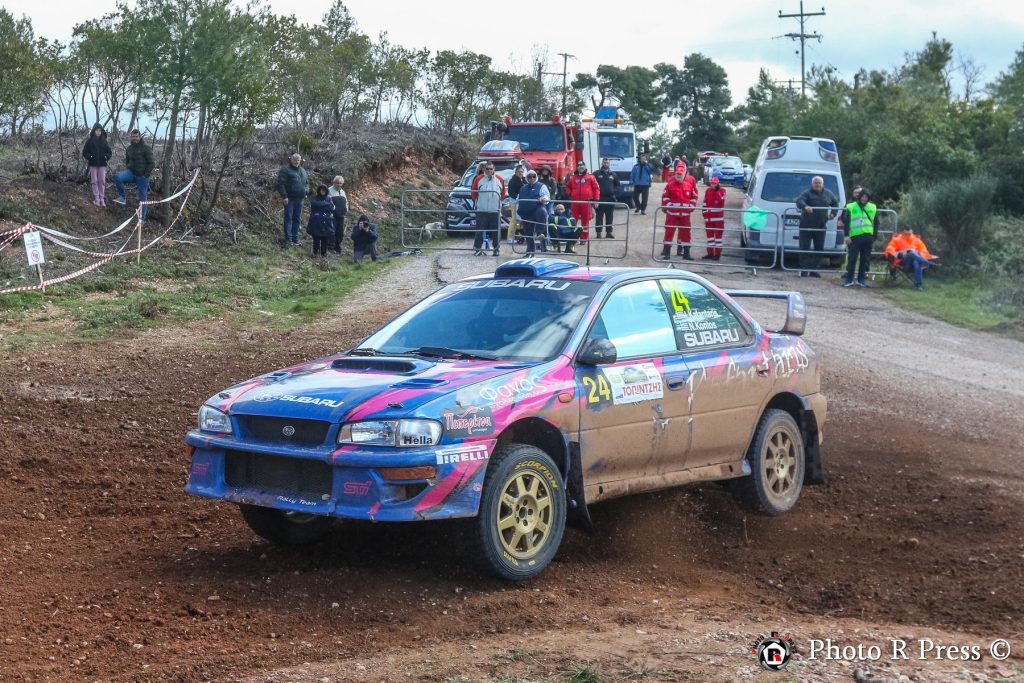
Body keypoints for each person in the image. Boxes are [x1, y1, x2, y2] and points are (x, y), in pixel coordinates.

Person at [795, 175, 839, 277]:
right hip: (806, 226)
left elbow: (835, 204)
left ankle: (813, 269)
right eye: (816, 183)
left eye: (819, 183)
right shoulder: (807, 193)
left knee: (819, 249)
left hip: (821, 226)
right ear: (812, 184)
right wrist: (805, 206)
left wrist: (833, 214)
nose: (817, 185)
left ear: (822, 184)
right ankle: (804, 269)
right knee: (804, 248)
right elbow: (799, 201)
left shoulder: (829, 194)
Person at [839, 187, 880, 287]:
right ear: (859, 196)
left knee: (864, 259)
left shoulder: (873, 207)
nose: (864, 199)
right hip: (854, 236)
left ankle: (861, 280)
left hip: (868, 236)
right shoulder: (850, 206)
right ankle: (849, 279)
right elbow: (846, 222)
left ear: (869, 198)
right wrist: (846, 235)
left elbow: (876, 223)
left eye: (866, 197)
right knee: (852, 259)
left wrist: (874, 235)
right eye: (863, 196)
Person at [113, 129, 154, 219]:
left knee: (142, 198)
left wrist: (146, 174)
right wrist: (129, 167)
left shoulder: (146, 148)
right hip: (131, 173)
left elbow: (151, 163)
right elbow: (127, 160)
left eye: (136, 136)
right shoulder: (129, 148)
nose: (135, 138)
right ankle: (122, 197)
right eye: (133, 136)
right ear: (131, 137)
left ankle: (142, 219)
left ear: (140, 137)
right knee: (118, 177)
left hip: (142, 176)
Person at [660, 164, 697, 260]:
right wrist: (670, 206)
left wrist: (691, 207)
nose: (678, 176)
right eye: (677, 174)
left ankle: (686, 254)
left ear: (684, 174)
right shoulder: (670, 185)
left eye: (680, 174)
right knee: (669, 232)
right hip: (672, 215)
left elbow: (694, 197)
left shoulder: (689, 185)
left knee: (686, 234)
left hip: (685, 215)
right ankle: (667, 253)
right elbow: (665, 197)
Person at [884, 225, 937, 290]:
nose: (908, 235)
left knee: (916, 261)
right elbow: (889, 250)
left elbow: (924, 251)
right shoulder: (896, 239)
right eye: (906, 234)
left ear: (912, 232)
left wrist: (918, 254)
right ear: (903, 232)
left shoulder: (917, 240)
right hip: (904, 263)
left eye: (909, 234)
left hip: (916, 262)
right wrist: (900, 254)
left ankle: (918, 285)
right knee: (911, 253)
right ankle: (928, 264)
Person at [471, 162, 506, 256]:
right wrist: (478, 203)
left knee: (496, 231)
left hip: (495, 210)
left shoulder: (500, 179)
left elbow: (503, 194)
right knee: (479, 230)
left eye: (491, 169)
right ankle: (477, 249)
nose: (489, 170)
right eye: (487, 169)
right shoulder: (478, 179)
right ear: (484, 169)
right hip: (482, 210)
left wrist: (497, 203)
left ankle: (496, 249)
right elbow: (474, 193)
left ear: (494, 169)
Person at [516, 169, 550, 257]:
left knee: (542, 211)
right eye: (529, 177)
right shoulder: (523, 188)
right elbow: (518, 201)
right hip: (526, 212)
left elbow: (547, 196)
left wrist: (543, 199)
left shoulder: (541, 186)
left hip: (536, 210)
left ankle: (540, 232)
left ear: (536, 177)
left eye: (533, 176)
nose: (531, 178)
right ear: (527, 178)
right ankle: (530, 252)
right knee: (528, 233)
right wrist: (517, 215)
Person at [277, 153, 309, 247]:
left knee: (297, 219)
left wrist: (306, 191)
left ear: (300, 161)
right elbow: (281, 184)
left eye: (298, 160)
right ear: (291, 160)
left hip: (300, 199)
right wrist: (284, 196)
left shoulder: (303, 170)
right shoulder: (285, 170)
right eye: (295, 160)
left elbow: (306, 183)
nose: (296, 161)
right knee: (288, 219)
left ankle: (295, 239)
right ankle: (288, 239)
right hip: (289, 199)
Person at [565, 161, 600, 240]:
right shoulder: (572, 177)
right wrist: (570, 193)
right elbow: (567, 186)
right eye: (579, 166)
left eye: (582, 165)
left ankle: (584, 238)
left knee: (585, 221)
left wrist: (596, 200)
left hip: (586, 202)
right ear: (577, 167)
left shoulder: (591, 177)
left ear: (585, 166)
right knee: (573, 220)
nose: (580, 167)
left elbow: (596, 189)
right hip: (575, 202)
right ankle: (572, 237)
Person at [82, 123, 112, 206]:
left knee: (102, 181)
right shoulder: (89, 141)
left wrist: (106, 157)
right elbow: (84, 152)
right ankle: (96, 199)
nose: (98, 132)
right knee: (94, 181)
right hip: (93, 164)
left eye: (100, 130)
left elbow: (109, 152)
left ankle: (102, 198)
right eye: (96, 130)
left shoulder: (104, 141)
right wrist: (90, 156)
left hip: (102, 164)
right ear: (94, 131)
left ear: (101, 131)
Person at [701, 175, 727, 260]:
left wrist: (717, 191)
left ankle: (717, 254)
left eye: (715, 183)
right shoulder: (708, 190)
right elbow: (704, 203)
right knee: (710, 237)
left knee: (718, 238)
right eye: (712, 183)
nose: (713, 185)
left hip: (718, 219)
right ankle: (710, 253)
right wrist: (704, 214)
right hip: (709, 219)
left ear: (718, 183)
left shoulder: (723, 191)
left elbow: (720, 201)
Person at [306, 185, 335, 258]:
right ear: (319, 190)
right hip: (316, 221)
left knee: (325, 239)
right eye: (321, 190)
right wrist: (326, 205)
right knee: (316, 239)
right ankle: (315, 253)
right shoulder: (315, 198)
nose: (323, 191)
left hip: (327, 222)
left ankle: (323, 254)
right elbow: (314, 205)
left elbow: (332, 208)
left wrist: (321, 207)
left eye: (324, 190)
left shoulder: (329, 198)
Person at [593, 158, 619, 239]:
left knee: (609, 216)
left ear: (609, 164)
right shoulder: (596, 173)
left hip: (610, 199)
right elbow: (592, 185)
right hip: (600, 198)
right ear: (602, 163)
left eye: (607, 162)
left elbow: (617, 185)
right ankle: (598, 233)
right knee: (599, 217)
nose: (606, 164)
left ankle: (609, 232)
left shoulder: (613, 174)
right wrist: (594, 199)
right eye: (604, 162)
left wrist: (613, 191)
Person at [328, 175, 348, 253]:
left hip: (341, 215)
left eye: (340, 183)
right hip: (332, 215)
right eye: (337, 183)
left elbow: (346, 202)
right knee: (332, 231)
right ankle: (330, 247)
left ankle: (337, 246)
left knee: (340, 231)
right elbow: (328, 203)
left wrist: (346, 209)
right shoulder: (329, 190)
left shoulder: (342, 192)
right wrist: (330, 212)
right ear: (334, 182)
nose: (339, 184)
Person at [507, 164, 525, 240]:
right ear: (516, 172)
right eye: (519, 172)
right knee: (514, 220)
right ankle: (510, 237)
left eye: (522, 172)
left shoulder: (524, 180)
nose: (520, 173)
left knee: (522, 220)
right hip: (514, 202)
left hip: (522, 202)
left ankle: (522, 235)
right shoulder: (512, 181)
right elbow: (510, 192)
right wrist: (518, 197)